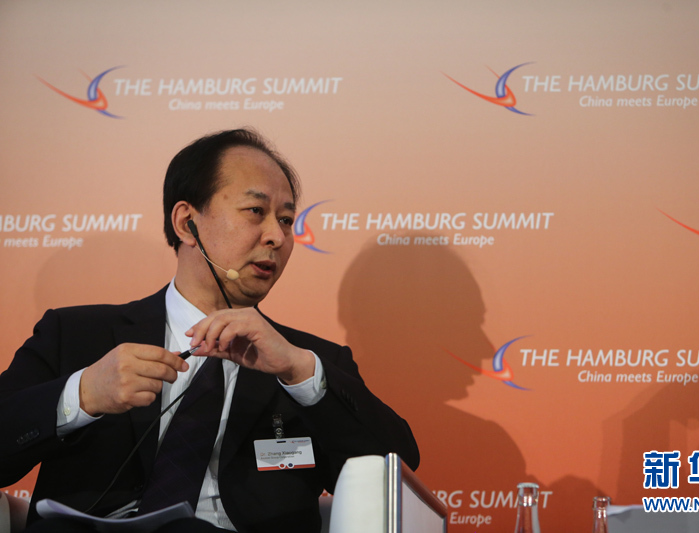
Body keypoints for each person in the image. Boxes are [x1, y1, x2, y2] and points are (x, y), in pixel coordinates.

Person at [0, 128, 419, 532]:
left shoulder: (307, 363)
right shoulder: (75, 334)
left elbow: (394, 474)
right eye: (256, 211)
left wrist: (298, 372)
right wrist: (81, 394)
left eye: (287, 220)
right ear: (187, 223)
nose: (276, 236)